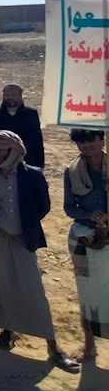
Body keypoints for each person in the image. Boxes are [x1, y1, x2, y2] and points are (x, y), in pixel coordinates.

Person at [0, 130, 79, 372]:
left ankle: (52, 347)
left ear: (16, 150)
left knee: (33, 291)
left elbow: (42, 206)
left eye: (3, 149)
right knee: (0, 286)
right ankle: (7, 330)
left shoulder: (32, 175)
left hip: (23, 240)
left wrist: (24, 227)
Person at [64, 128, 108, 363]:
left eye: (90, 140)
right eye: (81, 141)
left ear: (102, 139)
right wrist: (91, 215)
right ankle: (89, 346)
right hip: (83, 238)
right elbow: (69, 207)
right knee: (87, 294)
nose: (86, 146)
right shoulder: (72, 171)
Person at [0, 84, 44, 168]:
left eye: (13, 95)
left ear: (20, 96)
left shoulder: (31, 114)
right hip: (0, 161)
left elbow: (37, 140)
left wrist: (40, 164)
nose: (10, 97)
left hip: (27, 162)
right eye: (7, 95)